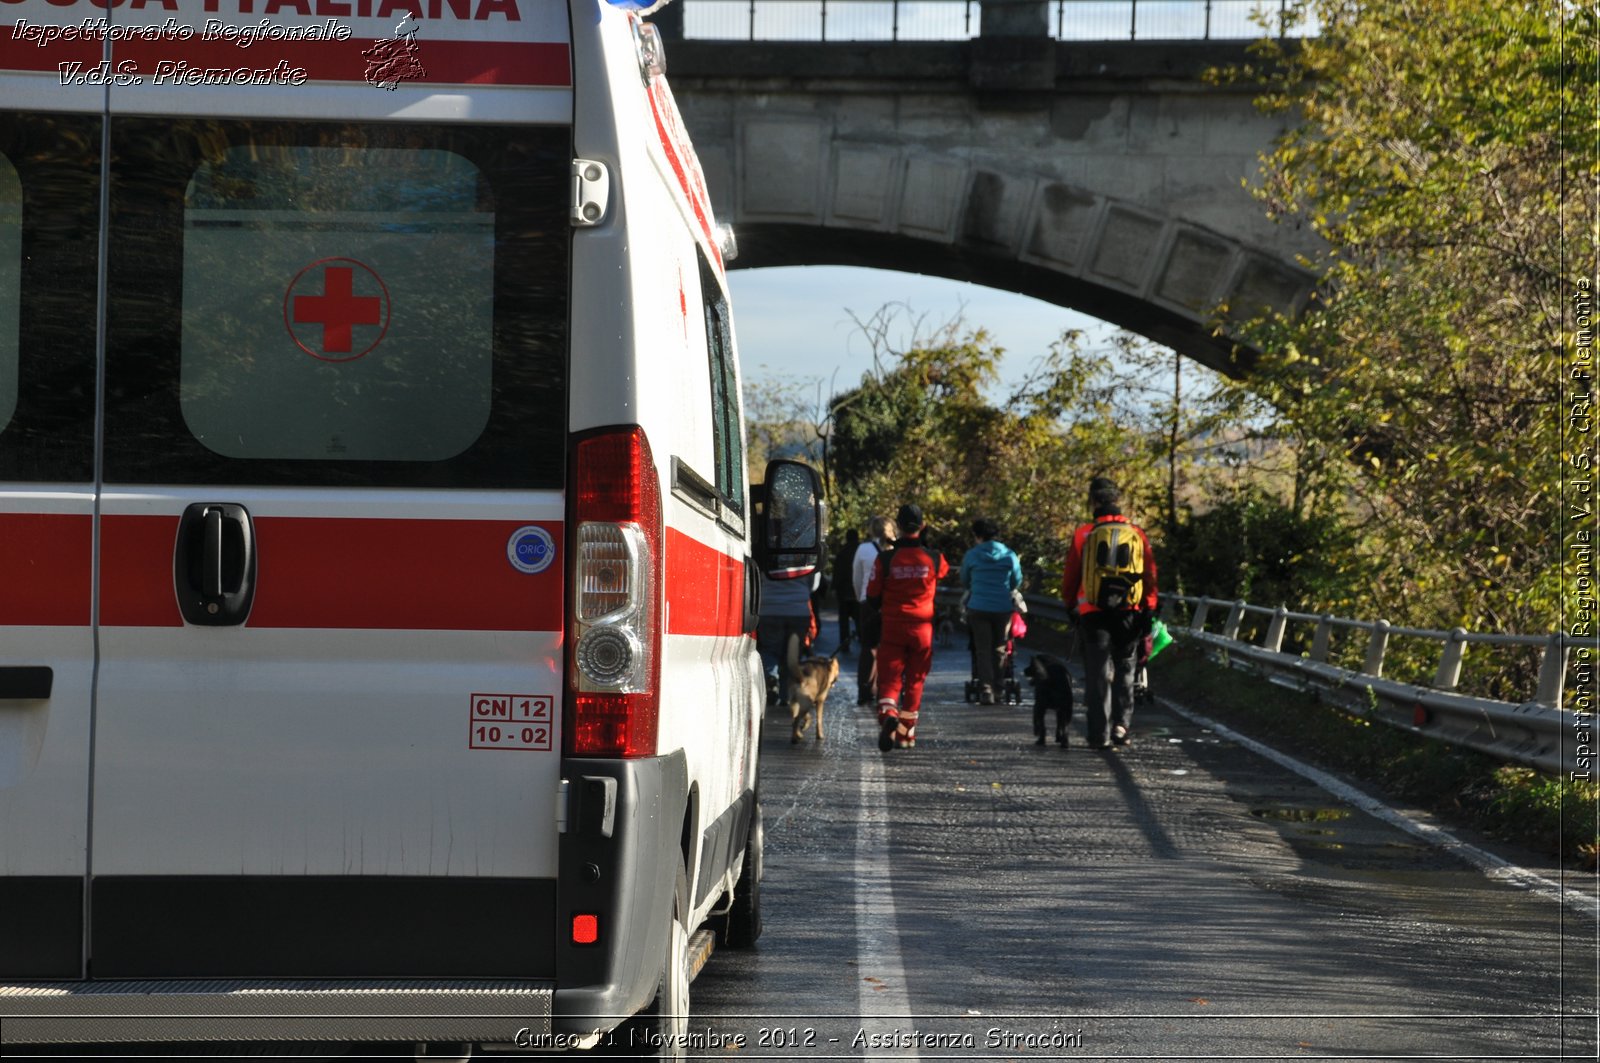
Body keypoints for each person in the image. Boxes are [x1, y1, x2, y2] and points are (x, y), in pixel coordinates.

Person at [1059, 477, 1158, 750]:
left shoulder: (1084, 534)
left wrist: (1069, 604)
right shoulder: (1137, 533)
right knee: (1126, 666)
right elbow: (1149, 574)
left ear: (1093, 501)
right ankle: (1121, 726)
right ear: (1119, 502)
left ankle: (1098, 734)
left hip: (1093, 611)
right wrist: (1149, 605)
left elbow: (1071, 575)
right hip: (1130, 610)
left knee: (1097, 671)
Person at [866, 504, 949, 751]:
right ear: (922, 526)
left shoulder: (886, 558)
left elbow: (872, 595)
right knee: (916, 680)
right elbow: (943, 573)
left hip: (892, 626)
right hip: (922, 629)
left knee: (890, 678)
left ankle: (888, 713)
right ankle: (905, 734)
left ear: (898, 527)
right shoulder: (935, 558)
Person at [960, 517, 1023, 705]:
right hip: (1002, 608)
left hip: (978, 607)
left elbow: (965, 579)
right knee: (999, 648)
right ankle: (999, 687)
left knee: (982, 649)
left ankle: (986, 688)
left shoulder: (972, 555)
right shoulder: (1009, 554)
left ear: (978, 536)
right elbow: (1016, 581)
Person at [852, 515, 896, 706]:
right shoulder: (895, 550)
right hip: (890, 604)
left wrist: (860, 597)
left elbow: (856, 576)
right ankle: (885, 690)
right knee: (889, 648)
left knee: (867, 648)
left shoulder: (863, 549)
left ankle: (864, 689)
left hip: (867, 603)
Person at [757, 568, 817, 708]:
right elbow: (813, 585)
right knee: (791, 655)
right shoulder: (806, 550)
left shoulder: (768, 548)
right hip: (798, 610)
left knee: (769, 649)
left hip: (769, 608)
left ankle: (771, 677)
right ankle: (786, 696)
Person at [831, 529, 861, 653]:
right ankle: (862, 640)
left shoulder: (842, 553)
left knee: (844, 621)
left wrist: (834, 587)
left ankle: (844, 644)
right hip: (857, 592)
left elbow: (837, 572)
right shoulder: (860, 551)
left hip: (843, 592)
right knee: (859, 619)